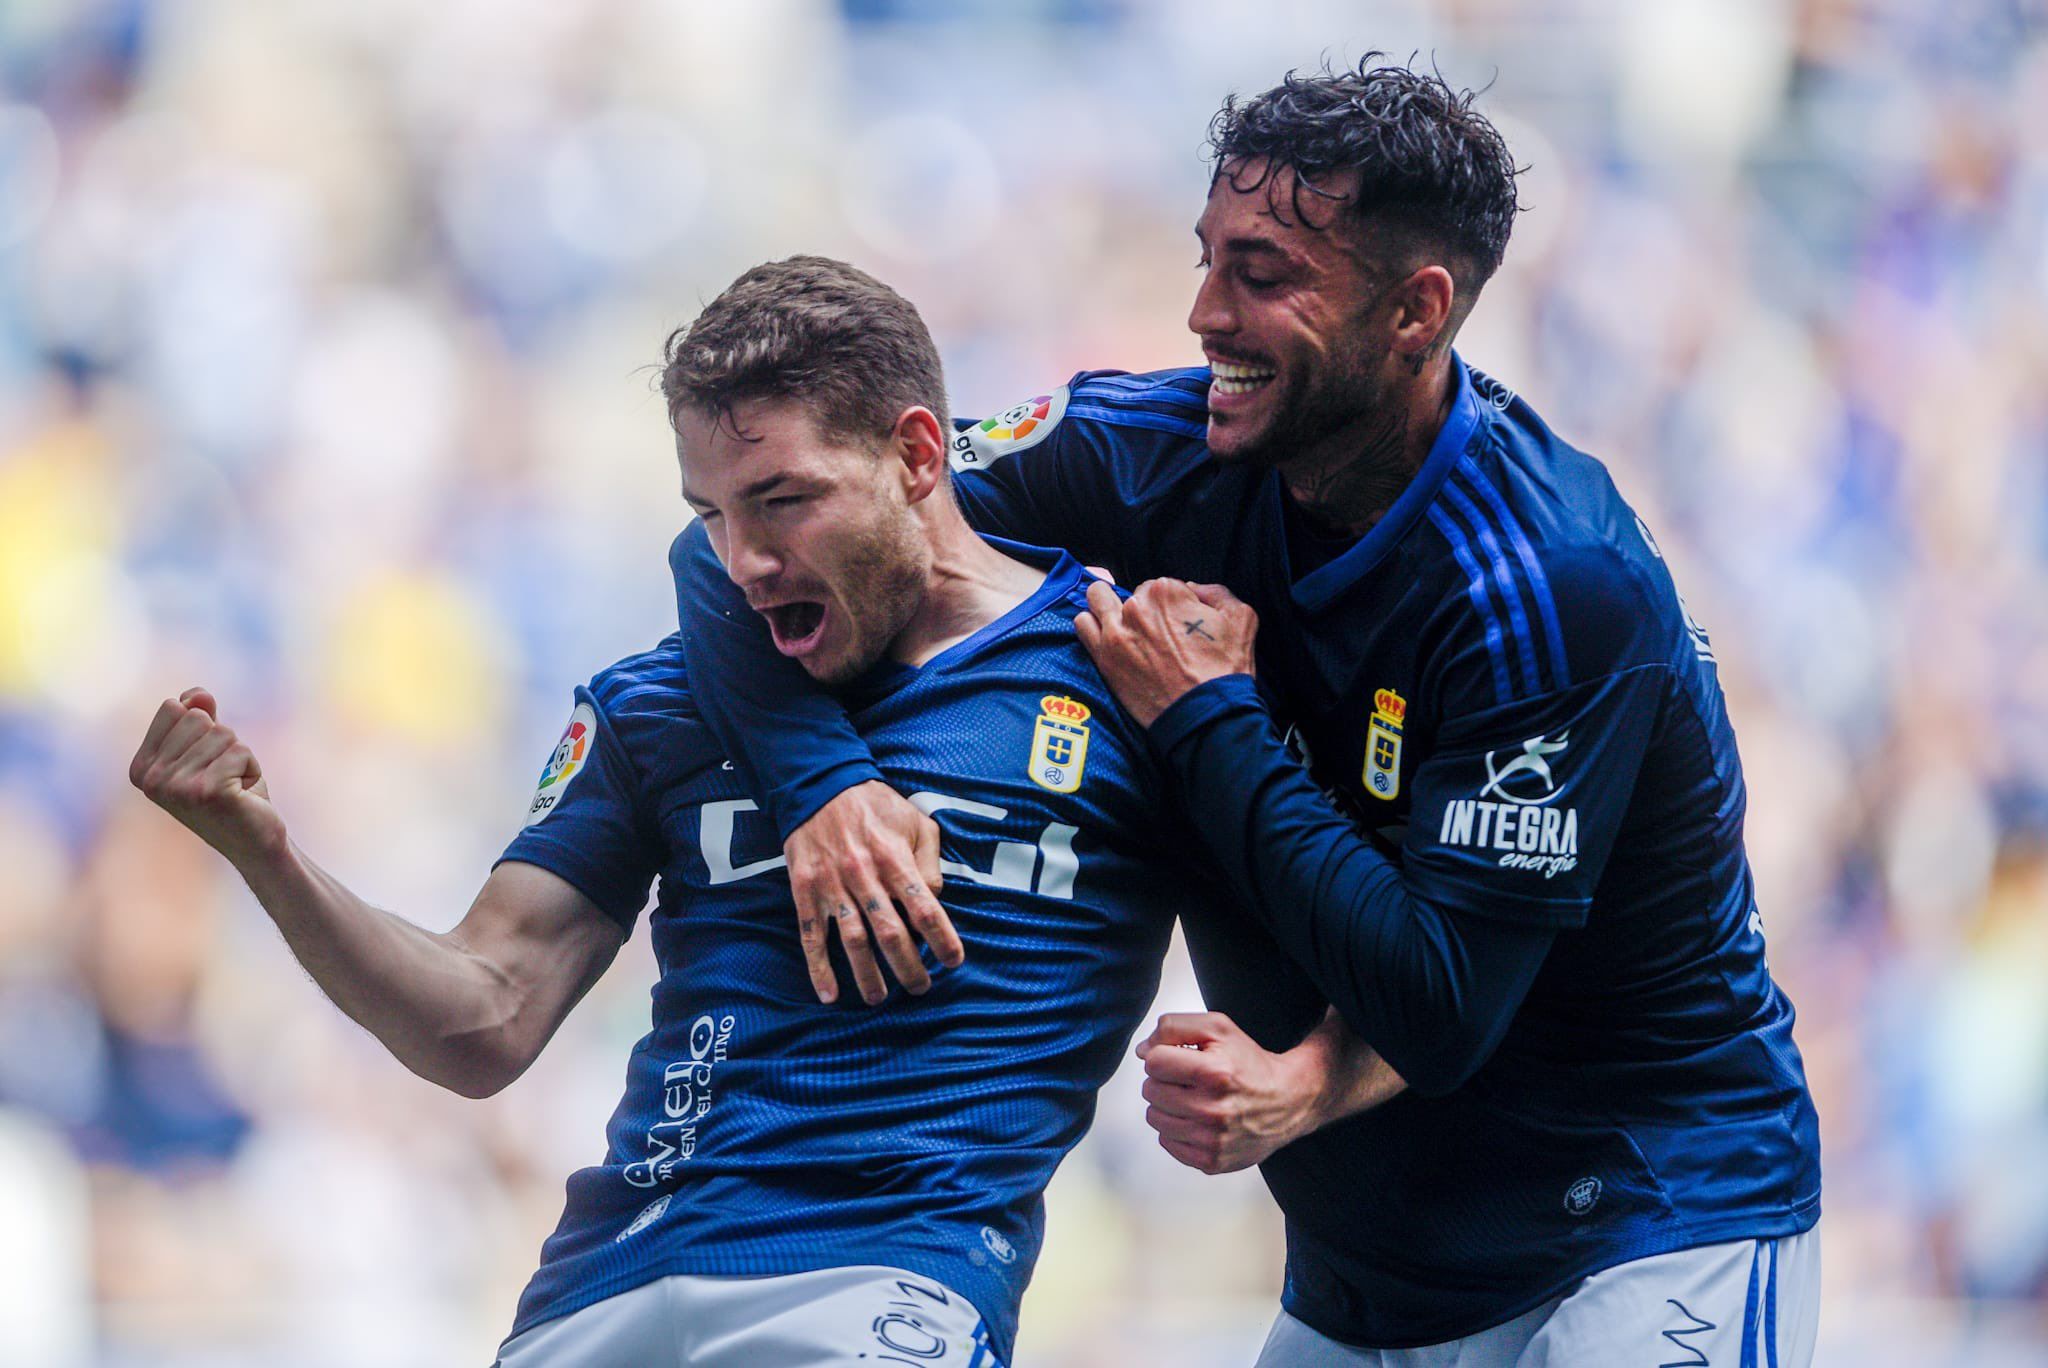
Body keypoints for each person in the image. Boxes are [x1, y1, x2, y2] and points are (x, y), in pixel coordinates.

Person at [672, 59, 1824, 1366]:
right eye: (1207, 255)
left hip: (1645, 1224)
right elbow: (765, 522)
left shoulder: (1552, 584)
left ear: (1415, 309)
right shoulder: (1147, 451)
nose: (1203, 309)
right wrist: (819, 777)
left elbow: (1440, 1006)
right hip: (1367, 1269)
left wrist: (1208, 716)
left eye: (1263, 274)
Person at [128, 256, 1395, 1367]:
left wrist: (1306, 1081)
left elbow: (1420, 950)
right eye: (711, 516)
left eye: (783, 500)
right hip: (601, 1283)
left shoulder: (1137, 673)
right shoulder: (660, 697)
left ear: (914, 456)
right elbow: (485, 1018)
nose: (742, 560)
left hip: (879, 1282)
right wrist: (269, 851)